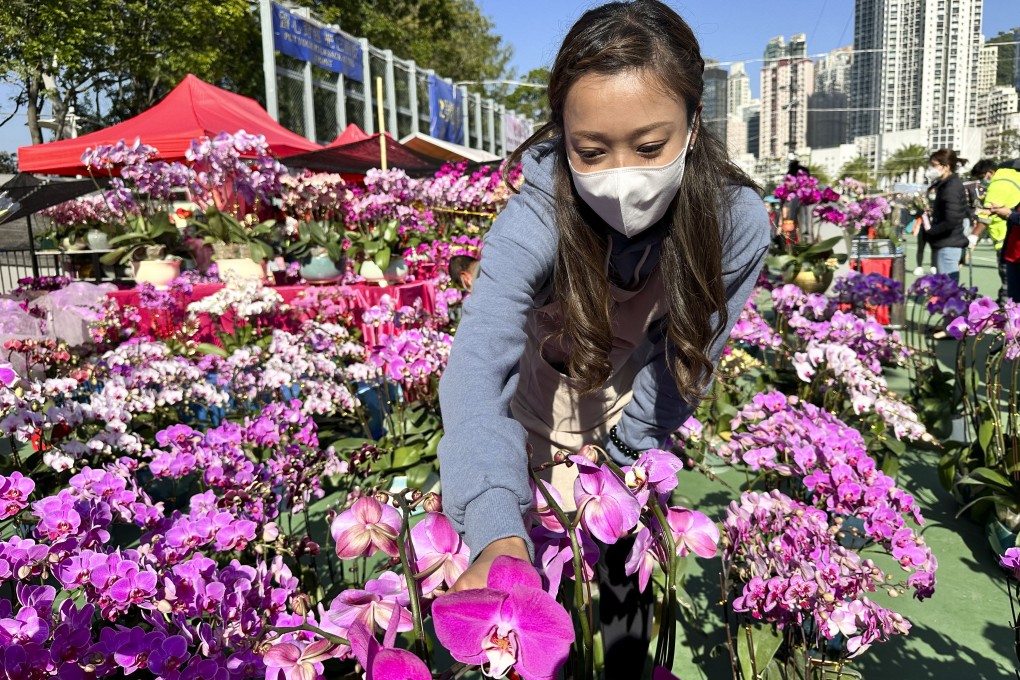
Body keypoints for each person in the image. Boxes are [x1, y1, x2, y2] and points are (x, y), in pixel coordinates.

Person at [436, 1, 769, 674]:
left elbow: (686, 360)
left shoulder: (735, 224)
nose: (623, 174)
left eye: (650, 147)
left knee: (621, 631)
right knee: (525, 635)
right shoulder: (536, 217)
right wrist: (497, 525)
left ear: (695, 123)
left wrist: (620, 456)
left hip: (622, 436)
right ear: (561, 136)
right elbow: (476, 370)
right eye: (592, 150)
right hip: (525, 432)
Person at [923, 149, 970, 283]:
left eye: (934, 165)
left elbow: (952, 220)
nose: (931, 169)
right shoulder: (944, 185)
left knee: (948, 290)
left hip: (949, 243)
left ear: (946, 166)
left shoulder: (951, 187)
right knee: (944, 288)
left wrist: (932, 231)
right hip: (946, 242)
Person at [968, 159, 1006, 301]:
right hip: (1005, 240)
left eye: (981, 177)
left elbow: (986, 216)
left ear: (989, 173)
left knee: (1007, 281)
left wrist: (974, 236)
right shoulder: (1007, 182)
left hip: (1004, 241)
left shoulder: (997, 186)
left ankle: (1005, 310)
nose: (981, 181)